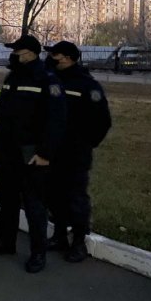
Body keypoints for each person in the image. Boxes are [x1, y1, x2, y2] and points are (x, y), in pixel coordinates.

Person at [0, 35, 67, 273]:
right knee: (8, 202)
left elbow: (56, 121)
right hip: (9, 154)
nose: (14, 55)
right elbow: (2, 118)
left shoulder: (47, 79)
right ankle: (6, 241)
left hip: (32, 155)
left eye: (18, 52)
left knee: (34, 207)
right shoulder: (12, 77)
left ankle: (38, 253)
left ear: (31, 53)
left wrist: (45, 153)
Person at [44, 41, 112, 263]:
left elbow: (103, 121)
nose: (52, 58)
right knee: (54, 196)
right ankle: (59, 236)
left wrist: (86, 144)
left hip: (75, 154)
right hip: (52, 152)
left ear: (68, 58)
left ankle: (78, 242)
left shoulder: (87, 85)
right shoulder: (51, 80)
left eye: (55, 55)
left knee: (76, 198)